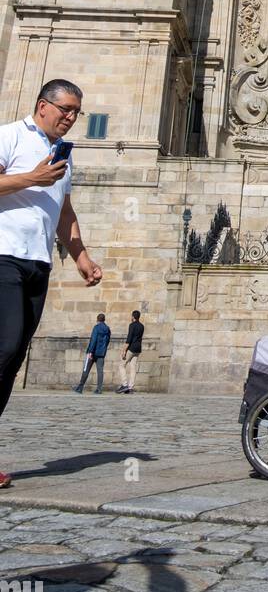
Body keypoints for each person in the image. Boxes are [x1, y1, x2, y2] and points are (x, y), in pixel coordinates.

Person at [0, 80, 102, 487]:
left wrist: (80, 255)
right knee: (4, 346)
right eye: (66, 109)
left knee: (12, 359)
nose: (72, 118)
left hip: (38, 262)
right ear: (43, 105)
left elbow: (63, 209)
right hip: (3, 255)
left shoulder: (63, 159)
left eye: (77, 112)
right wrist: (31, 177)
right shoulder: (9, 135)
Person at [73, 313, 111, 394]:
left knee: (86, 369)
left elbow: (93, 340)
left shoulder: (96, 328)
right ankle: (99, 389)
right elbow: (107, 341)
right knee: (100, 371)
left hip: (93, 352)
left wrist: (90, 351)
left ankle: (80, 387)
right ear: (104, 320)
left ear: (97, 319)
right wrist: (103, 349)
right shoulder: (107, 329)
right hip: (101, 353)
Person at [117, 310, 144, 393]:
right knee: (133, 367)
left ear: (133, 317)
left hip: (131, 348)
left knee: (121, 365)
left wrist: (124, 350)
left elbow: (129, 338)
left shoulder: (132, 325)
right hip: (138, 349)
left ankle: (124, 385)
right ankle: (130, 387)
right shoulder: (142, 326)